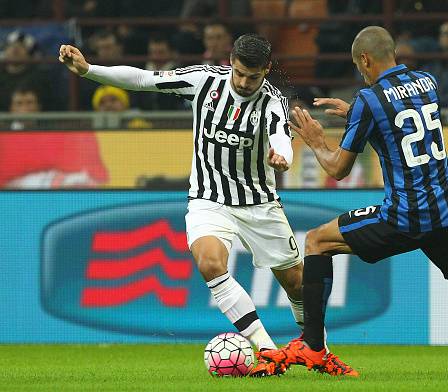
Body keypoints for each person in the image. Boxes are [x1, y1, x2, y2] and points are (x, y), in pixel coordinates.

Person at [260, 26, 448, 380]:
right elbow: (403, 115)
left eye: (359, 66)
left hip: (405, 216)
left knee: (317, 241)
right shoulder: (427, 82)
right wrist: (355, 112)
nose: (360, 72)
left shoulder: (370, 100)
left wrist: (315, 139)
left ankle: (313, 346)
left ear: (365, 59)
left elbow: (338, 169)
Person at [58, 33, 352, 376]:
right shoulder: (203, 80)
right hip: (209, 199)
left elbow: (280, 138)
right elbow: (142, 79)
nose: (243, 82)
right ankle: (270, 351)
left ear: (266, 71)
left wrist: (282, 156)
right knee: (211, 263)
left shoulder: (273, 103)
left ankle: (320, 351)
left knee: (297, 284)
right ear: (230, 62)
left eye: (253, 77)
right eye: (239, 73)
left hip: (259, 204)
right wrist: (88, 69)